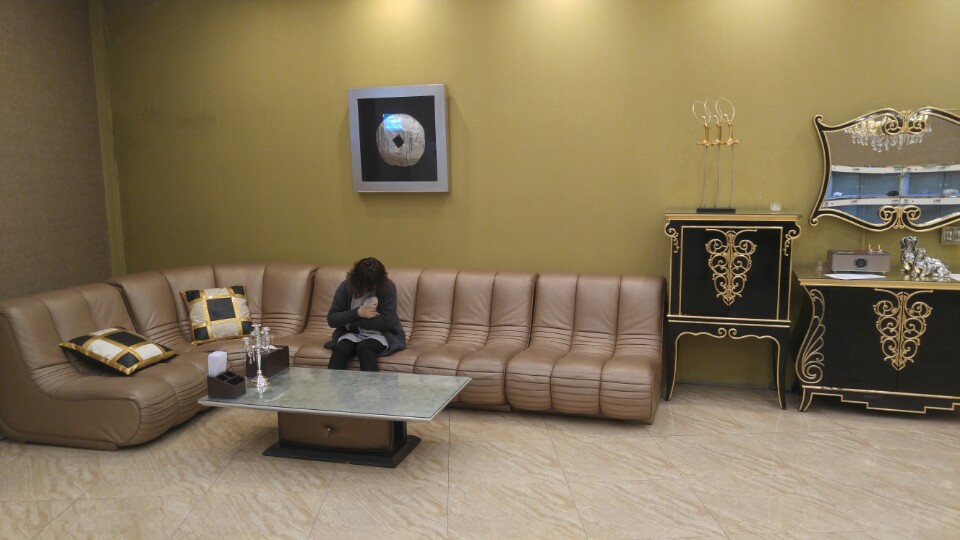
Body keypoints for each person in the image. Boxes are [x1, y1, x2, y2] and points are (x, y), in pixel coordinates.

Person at [325, 257, 405, 371]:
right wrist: (357, 313)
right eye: (364, 285)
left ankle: (372, 383)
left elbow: (387, 321)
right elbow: (332, 319)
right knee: (341, 348)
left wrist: (352, 323)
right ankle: (332, 382)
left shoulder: (388, 287)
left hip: (382, 334)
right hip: (352, 334)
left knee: (365, 348)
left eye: (371, 285)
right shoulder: (346, 286)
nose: (367, 289)